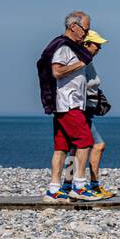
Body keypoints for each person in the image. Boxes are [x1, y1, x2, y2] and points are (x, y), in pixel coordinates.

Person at [38, 11, 97, 202]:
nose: (87, 34)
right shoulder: (64, 47)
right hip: (68, 102)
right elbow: (56, 71)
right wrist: (80, 63)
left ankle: (54, 189)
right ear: (74, 26)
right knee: (85, 141)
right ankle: (79, 185)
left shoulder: (71, 46)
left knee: (61, 147)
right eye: (85, 29)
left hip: (67, 104)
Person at [81, 30, 114, 198]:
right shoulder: (81, 62)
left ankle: (72, 185)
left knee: (75, 149)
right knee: (96, 145)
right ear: (86, 44)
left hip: (88, 110)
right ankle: (90, 185)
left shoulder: (87, 62)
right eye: (96, 45)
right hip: (82, 111)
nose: (99, 48)